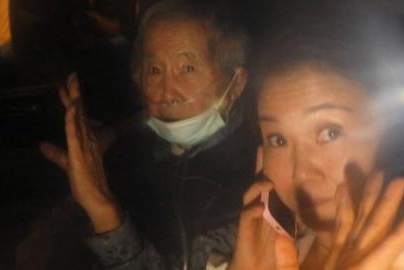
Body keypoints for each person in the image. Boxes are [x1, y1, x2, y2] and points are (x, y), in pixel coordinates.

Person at [40, 0, 257, 269]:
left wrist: (105, 214)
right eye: (154, 70)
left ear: (236, 83)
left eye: (187, 69)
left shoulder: (254, 177)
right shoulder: (135, 152)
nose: (166, 92)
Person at [229, 20, 404, 270]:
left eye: (330, 133)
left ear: (390, 132)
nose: (301, 173)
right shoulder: (271, 252)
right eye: (278, 140)